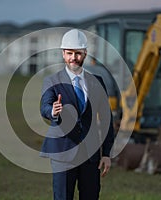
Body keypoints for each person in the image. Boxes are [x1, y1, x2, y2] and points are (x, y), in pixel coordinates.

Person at [40, 29, 114, 200]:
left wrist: (106, 153)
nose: (74, 57)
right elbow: (44, 106)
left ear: (85, 53)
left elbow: (106, 120)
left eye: (78, 53)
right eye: (69, 53)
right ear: (63, 54)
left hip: (90, 156)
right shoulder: (52, 81)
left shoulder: (98, 82)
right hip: (63, 154)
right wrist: (53, 111)